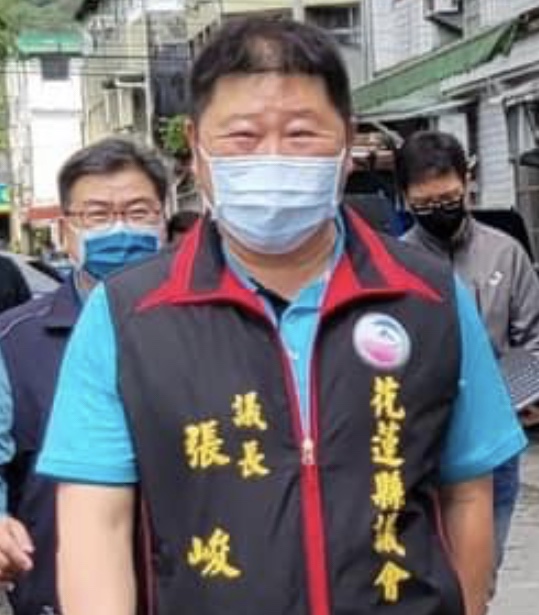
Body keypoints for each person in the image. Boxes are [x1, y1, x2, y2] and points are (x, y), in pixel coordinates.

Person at [38, 18, 526, 615]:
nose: (271, 157)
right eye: (243, 136)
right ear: (196, 148)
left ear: (346, 143)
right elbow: (97, 525)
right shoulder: (125, 317)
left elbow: (469, 491)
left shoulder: (430, 296)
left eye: (300, 134)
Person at [0, 137, 168, 615]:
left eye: (138, 212)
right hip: (58, 594)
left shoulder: (210, 326)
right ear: (66, 230)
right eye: (97, 215)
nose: (121, 228)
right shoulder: (13, 341)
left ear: (164, 219)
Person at [398, 129, 539, 573]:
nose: (439, 211)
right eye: (425, 204)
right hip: (424, 448)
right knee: (429, 575)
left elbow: (534, 335)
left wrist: (524, 393)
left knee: (481, 572)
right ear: (405, 199)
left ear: (467, 183)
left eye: (448, 199)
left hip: (496, 444)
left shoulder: (505, 254)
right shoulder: (395, 266)